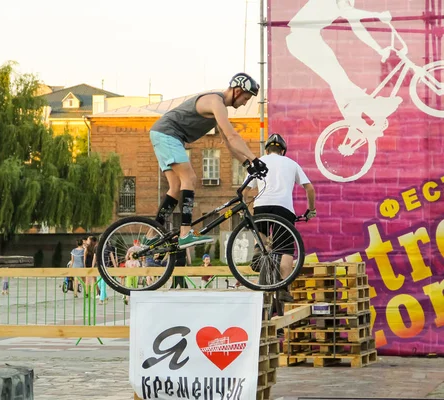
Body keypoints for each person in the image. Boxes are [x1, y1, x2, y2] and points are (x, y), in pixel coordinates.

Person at [146, 73, 268, 249]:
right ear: (237, 91)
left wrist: (247, 164)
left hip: (163, 135)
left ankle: (152, 234)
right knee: (189, 179)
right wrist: (255, 158)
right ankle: (185, 233)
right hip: (168, 134)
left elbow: (228, 142)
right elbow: (233, 136)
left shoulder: (218, 107)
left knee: (175, 188)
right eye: (246, 98)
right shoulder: (215, 102)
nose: (244, 103)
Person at [286, 0, 401, 125]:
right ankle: (373, 108)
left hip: (309, 38)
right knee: (338, 78)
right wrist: (378, 15)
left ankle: (354, 123)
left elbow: (358, 28)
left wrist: (379, 49)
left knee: (336, 80)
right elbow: (349, 12)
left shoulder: (347, 4)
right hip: (302, 38)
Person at [243, 134, 316, 301]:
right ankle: (283, 287)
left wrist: (246, 209)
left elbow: (246, 190)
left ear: (267, 149)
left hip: (261, 205)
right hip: (284, 209)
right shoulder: (292, 164)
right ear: (283, 151)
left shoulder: (259, 161)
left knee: (260, 232)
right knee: (286, 249)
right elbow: (310, 188)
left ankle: (258, 251)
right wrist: (311, 210)